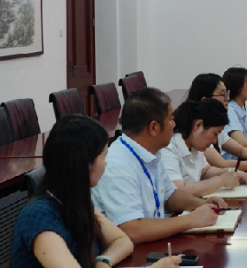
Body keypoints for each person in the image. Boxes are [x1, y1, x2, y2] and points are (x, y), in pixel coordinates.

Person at [0, 115, 182, 268]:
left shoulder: (76, 201)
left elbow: (122, 240)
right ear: (85, 164)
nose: (106, 164)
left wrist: (104, 261)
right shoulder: (39, 215)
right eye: (103, 156)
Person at [92, 87, 227, 244]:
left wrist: (203, 205)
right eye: (171, 119)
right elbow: (132, 230)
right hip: (132, 253)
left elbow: (169, 196)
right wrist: (191, 220)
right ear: (154, 127)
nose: (174, 124)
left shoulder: (151, 153)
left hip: (153, 243)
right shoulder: (118, 166)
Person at [159, 98, 247, 196]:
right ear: (198, 125)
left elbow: (205, 171)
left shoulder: (195, 145)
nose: (214, 141)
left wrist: (231, 172)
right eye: (215, 134)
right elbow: (177, 191)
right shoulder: (168, 149)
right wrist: (221, 180)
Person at [185, 73, 247, 170]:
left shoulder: (215, 122)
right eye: (223, 94)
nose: (227, 98)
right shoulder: (198, 128)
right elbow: (221, 164)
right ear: (205, 100)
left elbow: (240, 150)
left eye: (227, 93)